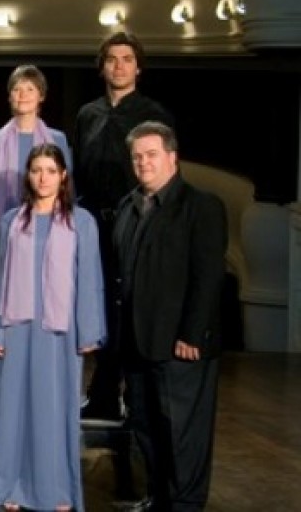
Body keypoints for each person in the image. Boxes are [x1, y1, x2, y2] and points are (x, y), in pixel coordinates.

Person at [0, 143, 106, 512]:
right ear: (28, 175)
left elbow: (90, 279)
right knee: (13, 410)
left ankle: (57, 491)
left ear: (63, 176)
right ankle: (12, 487)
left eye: (51, 171)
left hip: (60, 329)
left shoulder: (80, 221)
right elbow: (0, 278)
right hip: (17, 325)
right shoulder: (11, 220)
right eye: (36, 170)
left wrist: (89, 330)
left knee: (55, 410)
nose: (43, 177)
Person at [114, 122, 225, 512]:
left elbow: (208, 277)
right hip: (137, 345)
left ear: (172, 157)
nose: (143, 162)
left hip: (182, 346)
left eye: (151, 154)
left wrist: (193, 334)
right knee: (146, 428)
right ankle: (157, 498)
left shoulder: (201, 206)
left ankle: (185, 505)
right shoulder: (128, 207)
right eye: (137, 156)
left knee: (183, 435)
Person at [74, 31, 175, 421]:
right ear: (102, 67)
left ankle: (135, 394)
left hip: (136, 221)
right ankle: (100, 393)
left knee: (132, 306)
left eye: (127, 59)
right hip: (94, 224)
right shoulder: (88, 114)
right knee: (98, 306)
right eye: (112, 59)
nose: (119, 66)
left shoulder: (154, 114)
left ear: (139, 67)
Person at [0, 64, 71, 397]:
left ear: (41, 96)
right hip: (7, 236)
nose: (22, 95)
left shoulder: (57, 139)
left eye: (29, 89)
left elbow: (66, 189)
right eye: (17, 89)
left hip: (48, 234)